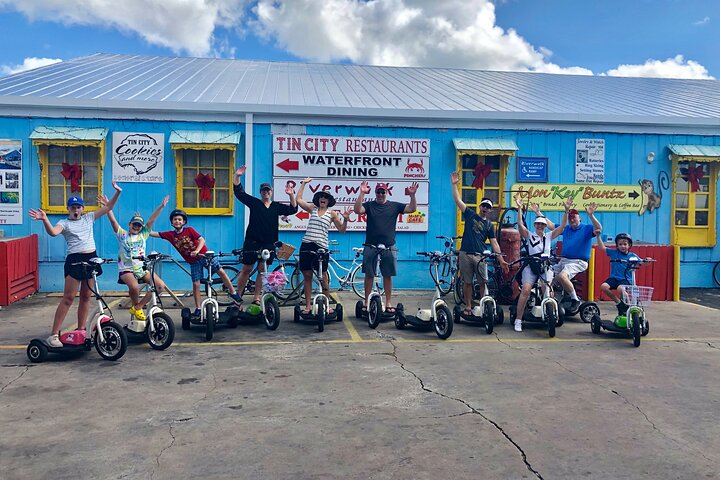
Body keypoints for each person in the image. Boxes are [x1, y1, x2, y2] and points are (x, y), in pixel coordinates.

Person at [28, 182, 122, 347]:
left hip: (91, 259)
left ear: (83, 209)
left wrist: (117, 192)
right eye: (73, 207)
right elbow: (53, 232)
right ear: (68, 209)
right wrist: (44, 219)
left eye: (78, 207)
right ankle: (54, 334)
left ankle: (81, 329)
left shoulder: (89, 217)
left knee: (86, 296)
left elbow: (108, 208)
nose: (76, 210)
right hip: (74, 260)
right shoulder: (64, 223)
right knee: (69, 297)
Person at [151, 209, 241, 317]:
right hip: (193, 262)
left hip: (204, 256)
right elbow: (152, 233)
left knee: (221, 272)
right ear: (172, 222)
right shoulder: (170, 235)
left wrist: (197, 250)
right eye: (175, 219)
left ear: (184, 222)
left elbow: (202, 240)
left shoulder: (189, 230)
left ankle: (233, 292)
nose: (177, 221)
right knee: (196, 284)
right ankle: (198, 308)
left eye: (180, 219)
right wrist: (144, 226)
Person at [233, 165, 298, 306]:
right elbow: (240, 193)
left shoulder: (276, 206)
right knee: (246, 269)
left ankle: (257, 297)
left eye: (268, 190)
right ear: (260, 192)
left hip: (269, 243)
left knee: (263, 270)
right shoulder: (255, 203)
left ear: (271, 192)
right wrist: (237, 176)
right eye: (263, 190)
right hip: (252, 241)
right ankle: (238, 295)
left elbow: (293, 209)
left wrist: (291, 194)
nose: (265, 192)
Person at [99, 193, 169, 321]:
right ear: (129, 224)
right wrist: (108, 207)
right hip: (126, 269)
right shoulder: (122, 235)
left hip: (141, 268)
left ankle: (138, 307)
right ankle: (136, 304)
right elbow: (113, 221)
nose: (136, 227)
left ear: (141, 228)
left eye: (138, 226)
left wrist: (161, 206)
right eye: (134, 225)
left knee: (160, 286)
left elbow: (151, 221)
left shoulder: (143, 235)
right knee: (134, 286)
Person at [354, 180, 418, 313]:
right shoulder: (370, 205)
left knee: (387, 275)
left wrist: (412, 196)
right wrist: (361, 193)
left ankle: (388, 302)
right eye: (378, 192)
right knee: (369, 275)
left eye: (383, 192)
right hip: (371, 245)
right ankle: (366, 301)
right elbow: (357, 210)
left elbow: (412, 209)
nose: (380, 194)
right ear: (375, 193)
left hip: (389, 246)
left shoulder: (394, 206)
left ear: (386, 192)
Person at [450, 172, 509, 315]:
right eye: (483, 205)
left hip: (481, 256)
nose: (485, 208)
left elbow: (494, 243)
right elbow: (458, 201)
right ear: (480, 206)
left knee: (483, 282)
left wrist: (501, 259)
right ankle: (468, 306)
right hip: (465, 254)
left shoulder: (490, 225)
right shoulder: (470, 214)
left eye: (488, 207)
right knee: (467, 282)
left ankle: (483, 306)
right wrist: (454, 185)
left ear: (490, 210)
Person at [512, 198, 570, 332]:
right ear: (535, 225)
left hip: (545, 266)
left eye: (542, 225)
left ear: (545, 226)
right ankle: (518, 319)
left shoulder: (549, 236)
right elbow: (520, 225)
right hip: (531, 266)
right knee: (526, 290)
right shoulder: (529, 235)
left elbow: (561, 228)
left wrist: (566, 211)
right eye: (537, 224)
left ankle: (550, 313)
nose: (540, 226)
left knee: (547, 289)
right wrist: (520, 208)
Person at [296, 177, 351, 314]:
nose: (323, 198)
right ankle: (308, 306)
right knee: (307, 276)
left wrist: (345, 219)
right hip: (307, 245)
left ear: (328, 201)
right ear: (318, 199)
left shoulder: (332, 214)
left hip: (321, 247)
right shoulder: (312, 209)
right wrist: (303, 183)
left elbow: (342, 230)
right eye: (321, 196)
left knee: (323, 277)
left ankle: (326, 305)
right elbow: (298, 199)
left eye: (325, 197)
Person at [552, 201, 602, 311]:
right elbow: (551, 226)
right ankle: (551, 299)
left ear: (579, 218)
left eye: (574, 217)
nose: (572, 220)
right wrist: (538, 213)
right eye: (570, 218)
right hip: (564, 261)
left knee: (562, 276)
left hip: (578, 262)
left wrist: (591, 215)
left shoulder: (586, 228)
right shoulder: (566, 228)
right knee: (546, 275)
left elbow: (598, 228)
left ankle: (575, 299)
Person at [595, 232, 645, 315]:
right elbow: (602, 247)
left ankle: (628, 305)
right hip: (614, 278)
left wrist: (647, 260)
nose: (622, 246)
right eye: (620, 244)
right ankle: (618, 303)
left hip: (625, 279)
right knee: (604, 287)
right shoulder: (614, 253)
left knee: (620, 289)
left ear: (629, 245)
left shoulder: (632, 256)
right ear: (617, 245)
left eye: (625, 244)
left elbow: (642, 262)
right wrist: (598, 236)